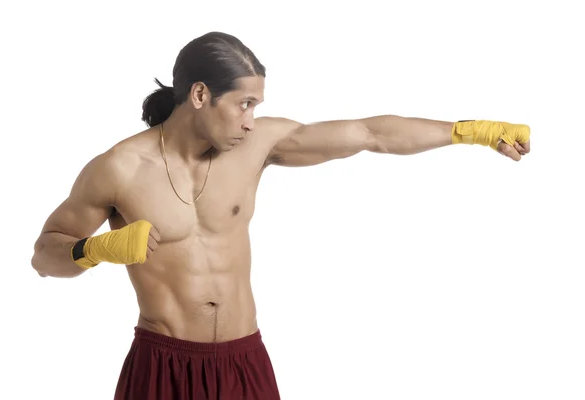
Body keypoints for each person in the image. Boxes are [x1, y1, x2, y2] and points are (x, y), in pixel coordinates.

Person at [30, 31, 531, 400]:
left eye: (257, 106)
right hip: (165, 368)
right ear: (201, 95)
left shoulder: (258, 145)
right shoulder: (118, 168)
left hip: (244, 359)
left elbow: (370, 133)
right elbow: (44, 256)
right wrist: (93, 250)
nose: (252, 121)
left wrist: (472, 132)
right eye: (244, 104)